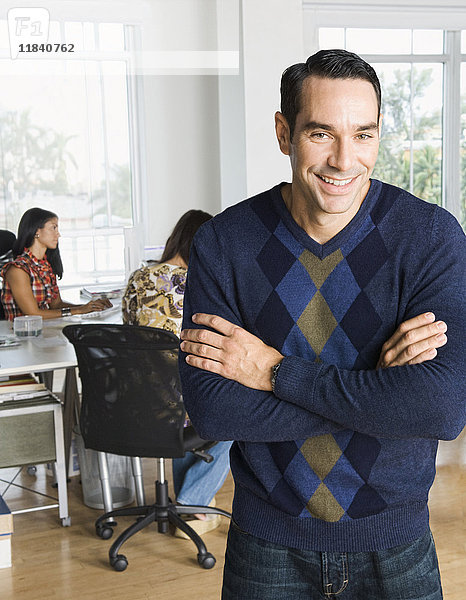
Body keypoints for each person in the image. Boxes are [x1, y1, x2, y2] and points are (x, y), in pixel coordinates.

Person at [178, 49, 466, 598]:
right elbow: (214, 411)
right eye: (320, 134)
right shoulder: (225, 244)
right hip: (266, 550)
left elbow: (443, 409)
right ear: (284, 133)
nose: (343, 160)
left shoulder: (430, 239)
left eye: (363, 135)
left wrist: (275, 372)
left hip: (396, 546)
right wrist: (382, 394)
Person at [122, 209, 232, 538]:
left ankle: (187, 508)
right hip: (178, 407)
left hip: (134, 405)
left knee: (185, 396)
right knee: (238, 416)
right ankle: (193, 502)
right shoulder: (196, 286)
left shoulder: (138, 278)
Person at [1, 207, 111, 320]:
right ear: (36, 232)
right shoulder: (17, 270)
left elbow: (56, 305)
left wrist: (89, 307)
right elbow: (33, 314)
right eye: (53, 228)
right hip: (23, 335)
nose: (58, 234)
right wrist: (79, 310)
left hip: (46, 330)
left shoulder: (45, 266)